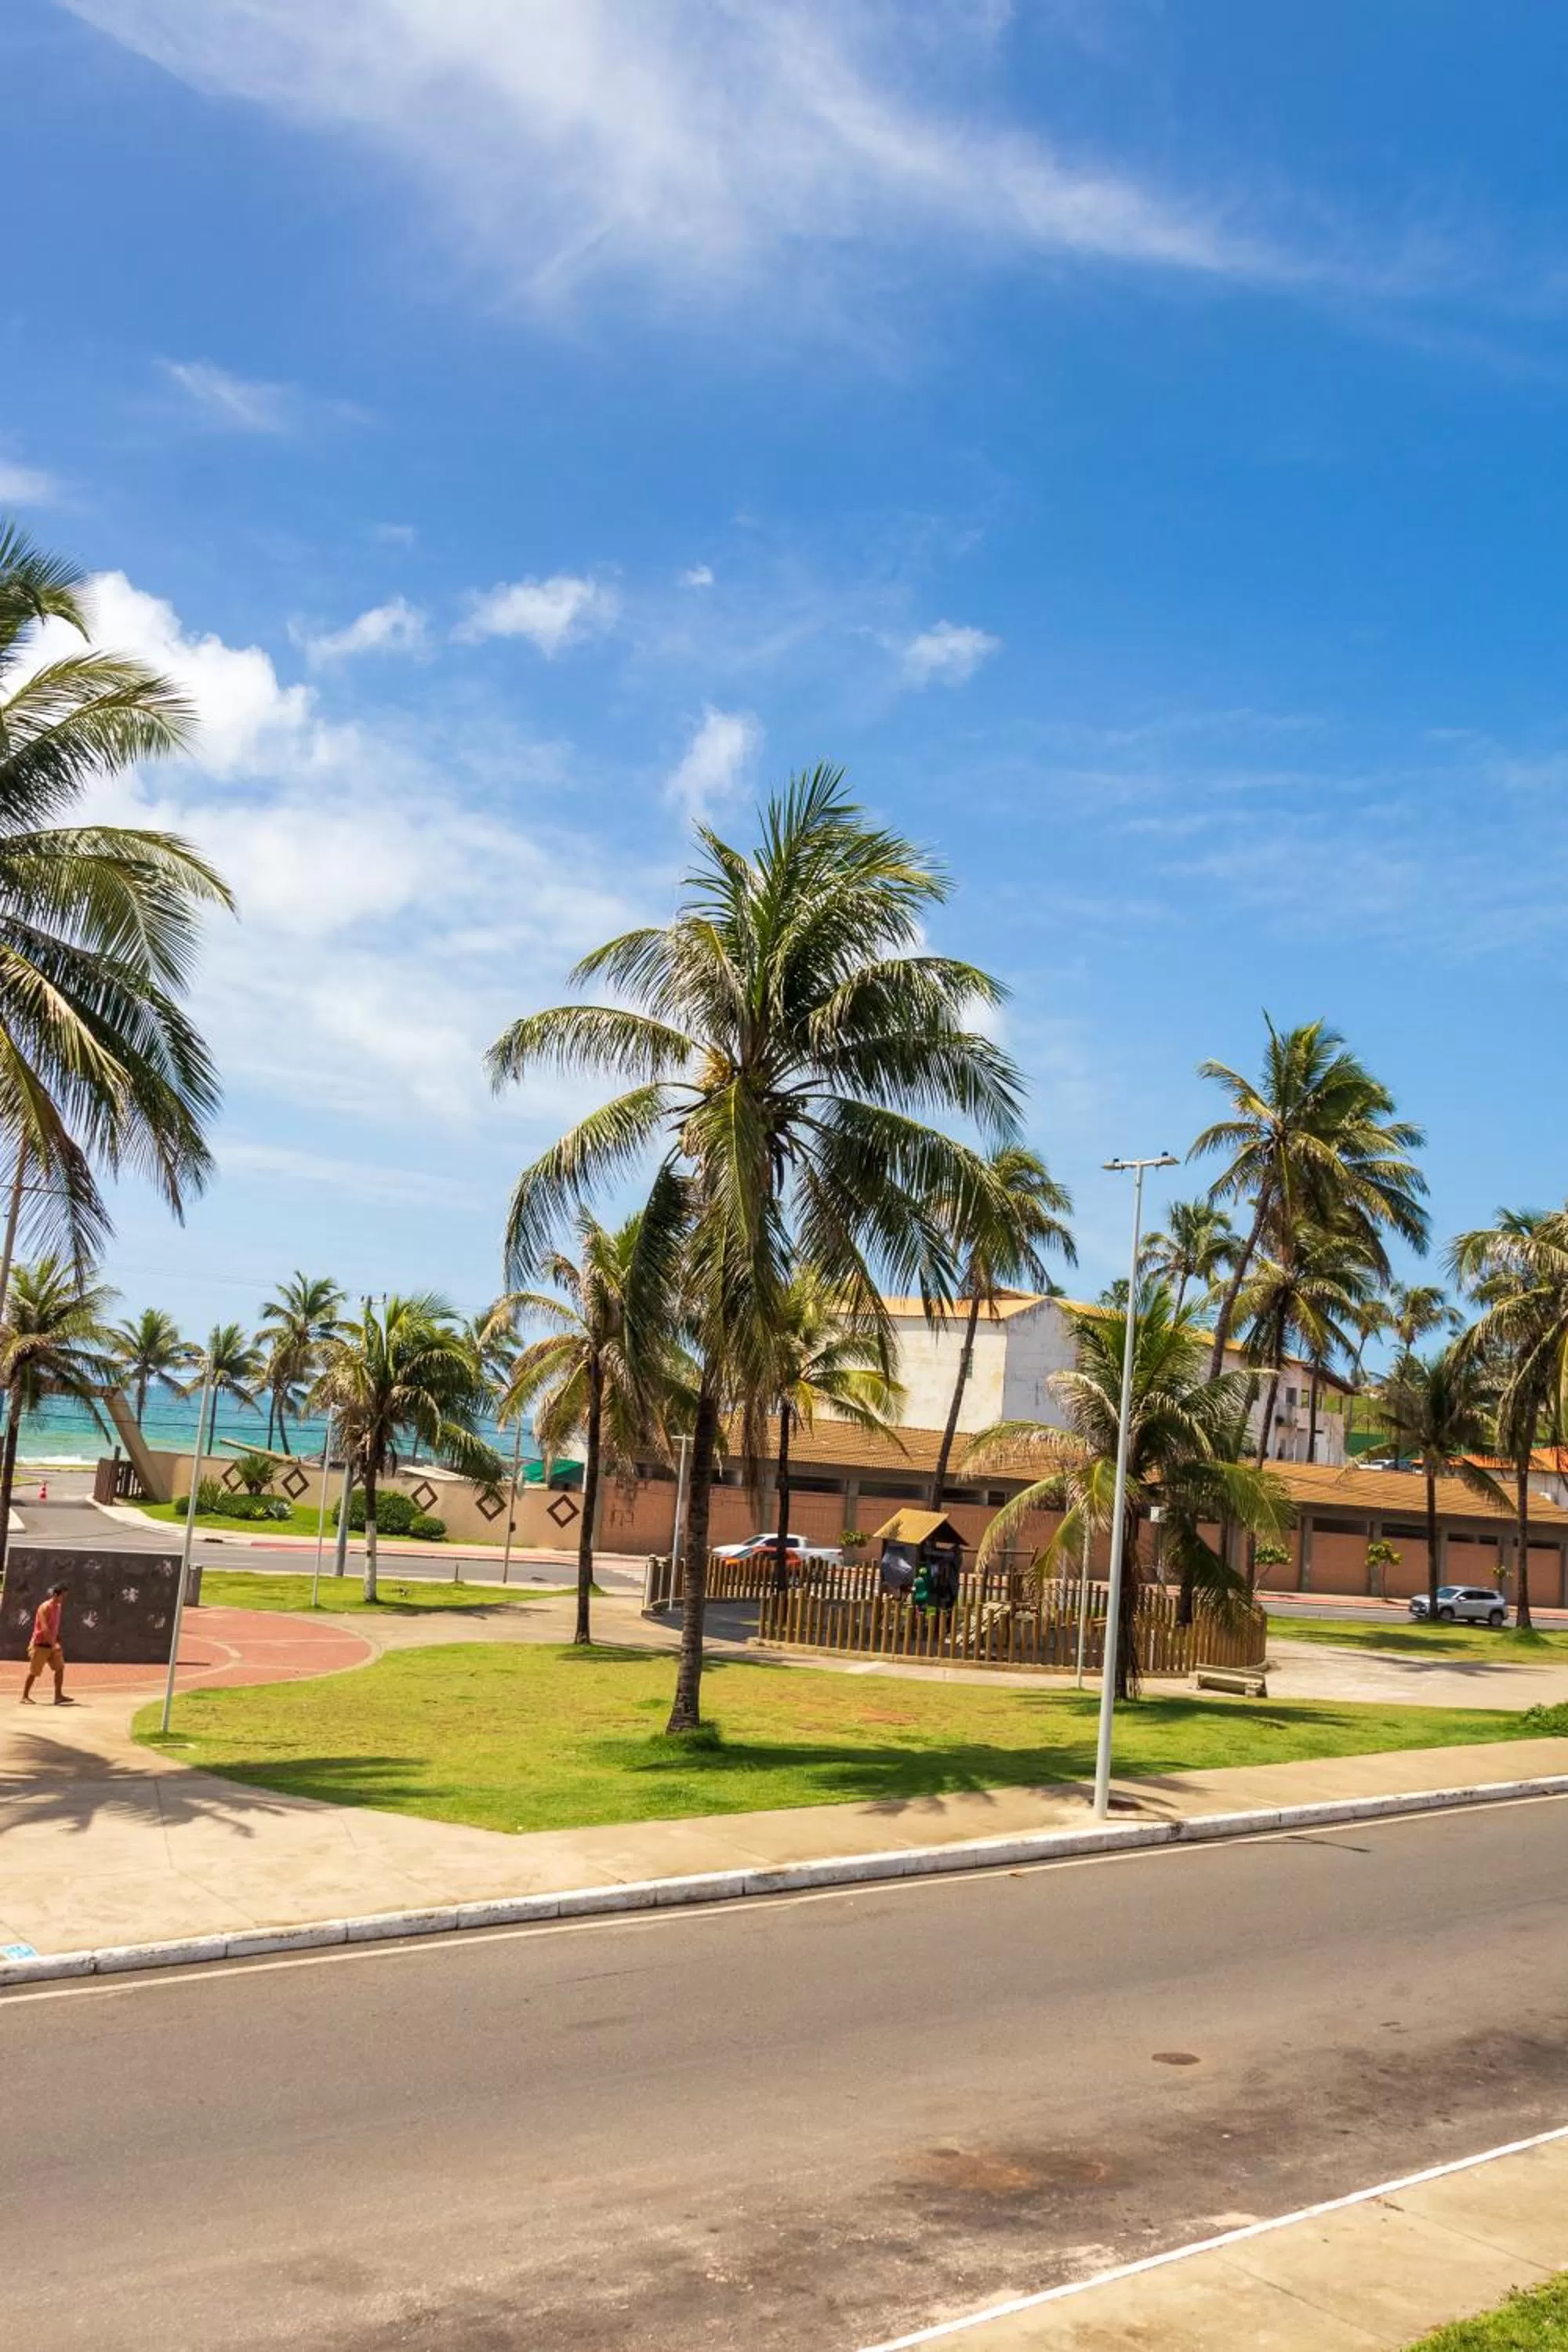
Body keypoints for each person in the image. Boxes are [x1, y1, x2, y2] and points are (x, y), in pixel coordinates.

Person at [21, 1583, 70, 1705]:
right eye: (62, 1596)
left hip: (52, 1644)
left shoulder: (58, 1607)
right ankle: (24, 1696)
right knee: (34, 1672)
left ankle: (58, 1696)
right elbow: (44, 1628)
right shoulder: (44, 1607)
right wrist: (54, 1645)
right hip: (40, 1644)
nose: (64, 1599)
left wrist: (57, 1638)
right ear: (55, 1595)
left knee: (60, 1668)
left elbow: (54, 1626)